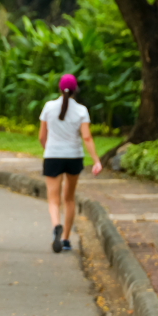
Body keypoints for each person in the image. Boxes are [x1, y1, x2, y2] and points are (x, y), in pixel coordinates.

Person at [38, 74, 102, 253]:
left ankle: (56, 225)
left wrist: (48, 149)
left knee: (53, 199)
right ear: (76, 91)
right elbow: (86, 137)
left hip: (52, 156)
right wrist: (96, 160)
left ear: (59, 88)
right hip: (74, 157)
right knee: (69, 199)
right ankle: (65, 238)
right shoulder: (81, 110)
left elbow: (41, 136)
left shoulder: (48, 107)